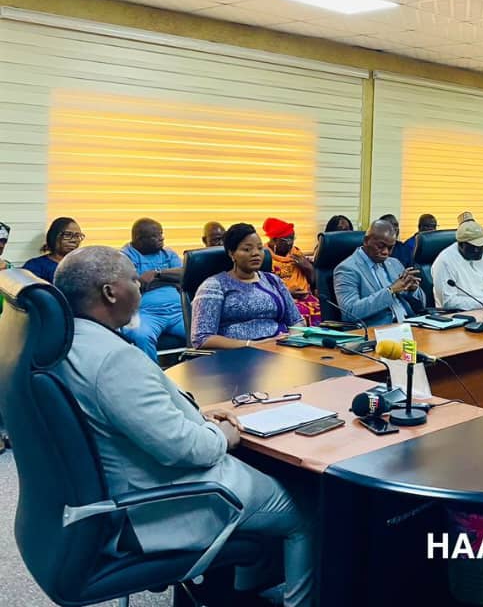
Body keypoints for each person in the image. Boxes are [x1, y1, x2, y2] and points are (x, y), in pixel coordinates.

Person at [53, 246, 315, 607]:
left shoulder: (68, 342)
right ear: (110, 293)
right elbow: (187, 450)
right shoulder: (113, 360)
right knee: (308, 508)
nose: (140, 287)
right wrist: (221, 435)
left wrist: (194, 415)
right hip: (168, 500)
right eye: (134, 280)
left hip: (120, 489)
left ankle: (245, 593)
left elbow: (136, 415)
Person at [191, 223, 302, 349]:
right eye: (247, 249)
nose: (256, 253)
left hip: (280, 349)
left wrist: (291, 341)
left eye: (259, 248)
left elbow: (296, 321)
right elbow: (202, 338)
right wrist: (252, 345)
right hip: (239, 354)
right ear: (232, 253)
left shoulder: (273, 280)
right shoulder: (214, 285)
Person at [334, 219, 425, 325]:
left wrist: (413, 289)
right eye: (380, 246)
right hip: (379, 328)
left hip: (409, 323)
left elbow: (423, 303)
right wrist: (390, 291)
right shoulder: (347, 269)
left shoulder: (394, 263)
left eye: (390, 248)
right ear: (366, 241)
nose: (386, 252)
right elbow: (350, 312)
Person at [120, 218, 185, 359]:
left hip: (178, 312)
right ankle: (151, 373)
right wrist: (169, 280)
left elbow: (184, 274)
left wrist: (157, 274)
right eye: (155, 236)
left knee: (203, 332)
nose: (162, 238)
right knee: (141, 336)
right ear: (139, 239)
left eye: (161, 233)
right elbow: (133, 284)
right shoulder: (125, 256)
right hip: (146, 313)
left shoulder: (168, 253)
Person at [432, 220, 483, 310]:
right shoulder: (445, 261)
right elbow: (448, 302)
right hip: (461, 313)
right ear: (461, 244)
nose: (480, 250)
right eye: (475, 247)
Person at [264, 217, 320, 326]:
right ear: (274, 240)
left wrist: (308, 268)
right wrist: (288, 292)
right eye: (287, 240)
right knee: (300, 312)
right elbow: (265, 288)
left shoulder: (297, 254)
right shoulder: (265, 258)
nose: (291, 243)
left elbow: (313, 282)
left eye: (293, 238)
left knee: (320, 309)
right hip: (281, 299)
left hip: (306, 297)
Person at [23, 216, 83, 284]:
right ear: (54, 236)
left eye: (77, 236)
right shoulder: (35, 266)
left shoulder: (83, 266)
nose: (74, 240)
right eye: (67, 235)